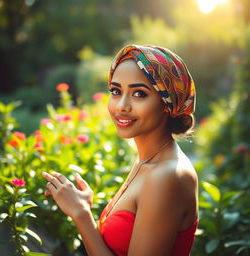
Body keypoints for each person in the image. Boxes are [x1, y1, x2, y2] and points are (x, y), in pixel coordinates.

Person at [42, 44, 198, 256]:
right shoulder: (146, 160)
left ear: (166, 103)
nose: (121, 106)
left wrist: (81, 215)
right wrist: (83, 207)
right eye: (116, 91)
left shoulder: (167, 175)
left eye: (139, 94)